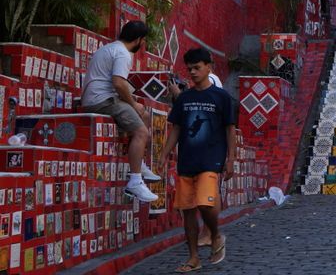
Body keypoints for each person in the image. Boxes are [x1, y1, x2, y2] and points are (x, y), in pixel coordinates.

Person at [159, 47, 237, 272]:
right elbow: (176, 128)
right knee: (188, 211)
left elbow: (230, 130)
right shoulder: (184, 98)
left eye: (197, 68)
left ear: (208, 67)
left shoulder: (222, 97)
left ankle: (215, 234)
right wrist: (165, 153)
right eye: (189, 69)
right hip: (187, 159)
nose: (192, 72)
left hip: (211, 158)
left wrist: (230, 158)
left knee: (205, 202)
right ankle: (193, 257)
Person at [80, 20, 161, 202]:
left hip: (96, 98)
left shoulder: (108, 48)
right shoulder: (123, 54)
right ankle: (135, 182)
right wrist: (133, 104)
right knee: (141, 131)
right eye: (144, 41)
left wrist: (136, 105)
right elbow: (118, 83)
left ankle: (139, 164)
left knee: (145, 115)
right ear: (139, 39)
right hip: (102, 100)